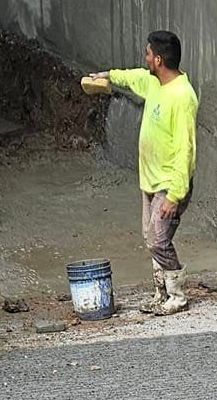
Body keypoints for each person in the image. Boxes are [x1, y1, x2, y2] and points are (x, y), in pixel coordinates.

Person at [84, 32, 198, 315]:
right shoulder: (154, 83)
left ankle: (177, 295)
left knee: (158, 240)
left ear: (158, 60)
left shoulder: (183, 96)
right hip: (151, 181)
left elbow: (186, 151)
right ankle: (161, 294)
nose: (145, 58)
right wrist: (108, 76)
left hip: (170, 185)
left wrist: (175, 195)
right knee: (150, 239)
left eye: (148, 54)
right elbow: (133, 77)